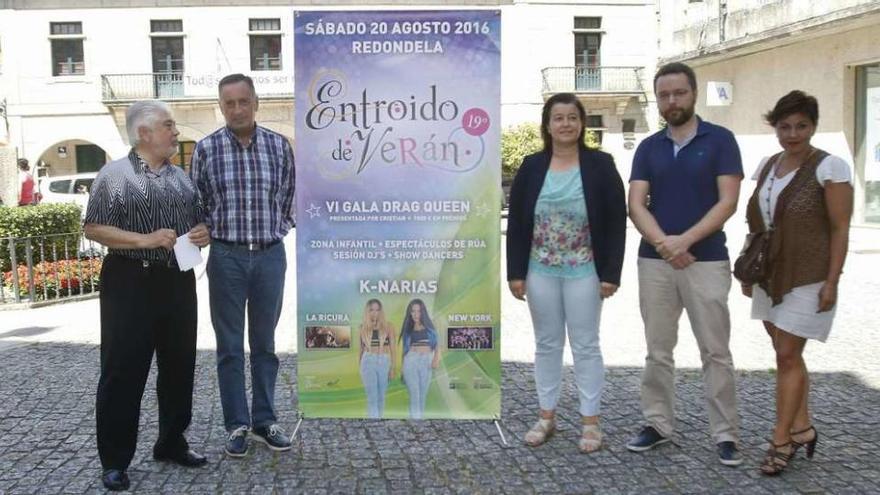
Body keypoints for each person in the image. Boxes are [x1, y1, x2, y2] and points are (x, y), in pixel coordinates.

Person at [83, 100, 210, 491]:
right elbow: (93, 228)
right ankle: (115, 460)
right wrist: (144, 239)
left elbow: (197, 220)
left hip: (177, 283)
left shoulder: (182, 178)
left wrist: (202, 232)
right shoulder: (114, 175)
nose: (175, 131)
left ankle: (171, 442)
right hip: (129, 283)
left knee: (179, 367)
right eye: (168, 125)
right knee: (123, 371)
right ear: (144, 133)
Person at [626, 62, 744, 466]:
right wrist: (665, 245)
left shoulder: (721, 140)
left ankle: (725, 434)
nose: (672, 101)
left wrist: (685, 241)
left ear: (693, 93)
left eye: (679, 93)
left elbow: (727, 201)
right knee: (658, 350)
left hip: (706, 259)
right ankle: (657, 424)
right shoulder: (648, 147)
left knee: (715, 351)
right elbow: (635, 205)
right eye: (664, 95)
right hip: (655, 262)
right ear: (657, 99)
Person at [506, 92, 626, 453]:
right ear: (547, 125)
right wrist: (516, 272)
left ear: (581, 123)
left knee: (586, 345)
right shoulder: (530, 166)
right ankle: (546, 417)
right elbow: (516, 224)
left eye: (572, 117)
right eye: (558, 118)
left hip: (585, 271)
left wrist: (611, 274)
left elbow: (616, 221)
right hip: (540, 269)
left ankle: (591, 423)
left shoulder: (601, 166)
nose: (566, 124)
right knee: (546, 345)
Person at [740, 91, 852, 475]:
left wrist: (832, 281)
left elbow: (840, 228)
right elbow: (756, 222)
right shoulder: (768, 165)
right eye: (785, 126)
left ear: (814, 126)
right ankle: (803, 427)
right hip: (769, 274)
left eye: (801, 126)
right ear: (775, 127)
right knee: (785, 354)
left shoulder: (830, 167)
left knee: (787, 355)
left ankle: (781, 439)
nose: (793, 134)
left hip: (809, 275)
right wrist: (747, 269)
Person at [190, 73, 296, 457]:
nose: (237, 109)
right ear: (221, 107)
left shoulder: (278, 146)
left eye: (243, 101)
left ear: (255, 103)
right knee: (230, 347)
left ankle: (266, 421)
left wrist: (279, 229)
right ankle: (236, 424)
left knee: (265, 344)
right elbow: (196, 203)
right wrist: (204, 229)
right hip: (227, 257)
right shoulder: (206, 149)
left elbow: (289, 196)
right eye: (229, 103)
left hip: (270, 256)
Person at [399, 298, 440, 419]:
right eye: (413, 311)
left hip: (426, 361)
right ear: (410, 313)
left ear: (423, 312)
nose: (416, 314)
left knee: (422, 395)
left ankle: (419, 422)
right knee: (415, 395)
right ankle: (415, 422)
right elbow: (405, 350)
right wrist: (402, 368)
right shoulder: (408, 329)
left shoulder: (430, 327)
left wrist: (436, 359)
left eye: (419, 311)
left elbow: (437, 345)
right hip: (411, 362)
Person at [358, 299, 397, 418]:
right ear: (367, 311)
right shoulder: (362, 328)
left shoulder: (388, 326)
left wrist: (392, 368)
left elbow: (393, 349)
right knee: (372, 397)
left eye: (377, 310)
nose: (375, 313)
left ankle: (379, 421)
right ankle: (373, 422)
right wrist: (360, 367)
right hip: (368, 361)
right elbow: (360, 350)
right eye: (372, 310)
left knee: (381, 396)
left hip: (384, 361)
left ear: (381, 311)